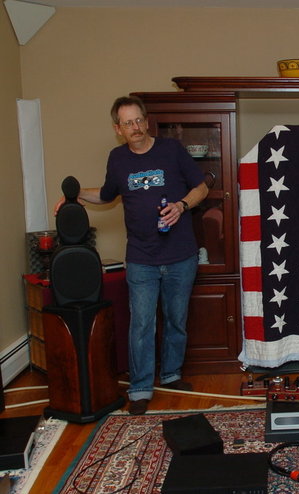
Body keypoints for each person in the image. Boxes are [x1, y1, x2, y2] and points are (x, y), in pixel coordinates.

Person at [55, 95, 208, 415]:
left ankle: (171, 374)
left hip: (181, 255)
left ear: (146, 120)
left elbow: (201, 188)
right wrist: (74, 195)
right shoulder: (117, 159)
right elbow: (107, 195)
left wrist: (181, 206)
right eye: (128, 123)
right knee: (141, 324)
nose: (136, 127)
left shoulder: (171, 150)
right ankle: (140, 389)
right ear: (118, 129)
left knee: (176, 321)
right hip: (141, 258)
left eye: (139, 120)